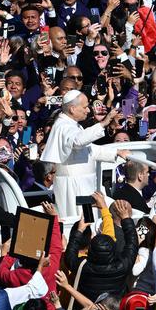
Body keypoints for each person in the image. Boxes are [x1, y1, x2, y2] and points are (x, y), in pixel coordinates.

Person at [39, 90, 124, 222]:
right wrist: (104, 123)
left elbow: (88, 149)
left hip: (82, 184)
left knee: (89, 220)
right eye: (84, 107)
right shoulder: (63, 126)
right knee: (81, 222)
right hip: (74, 186)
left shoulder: (73, 125)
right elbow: (78, 142)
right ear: (73, 109)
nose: (88, 111)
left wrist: (116, 153)